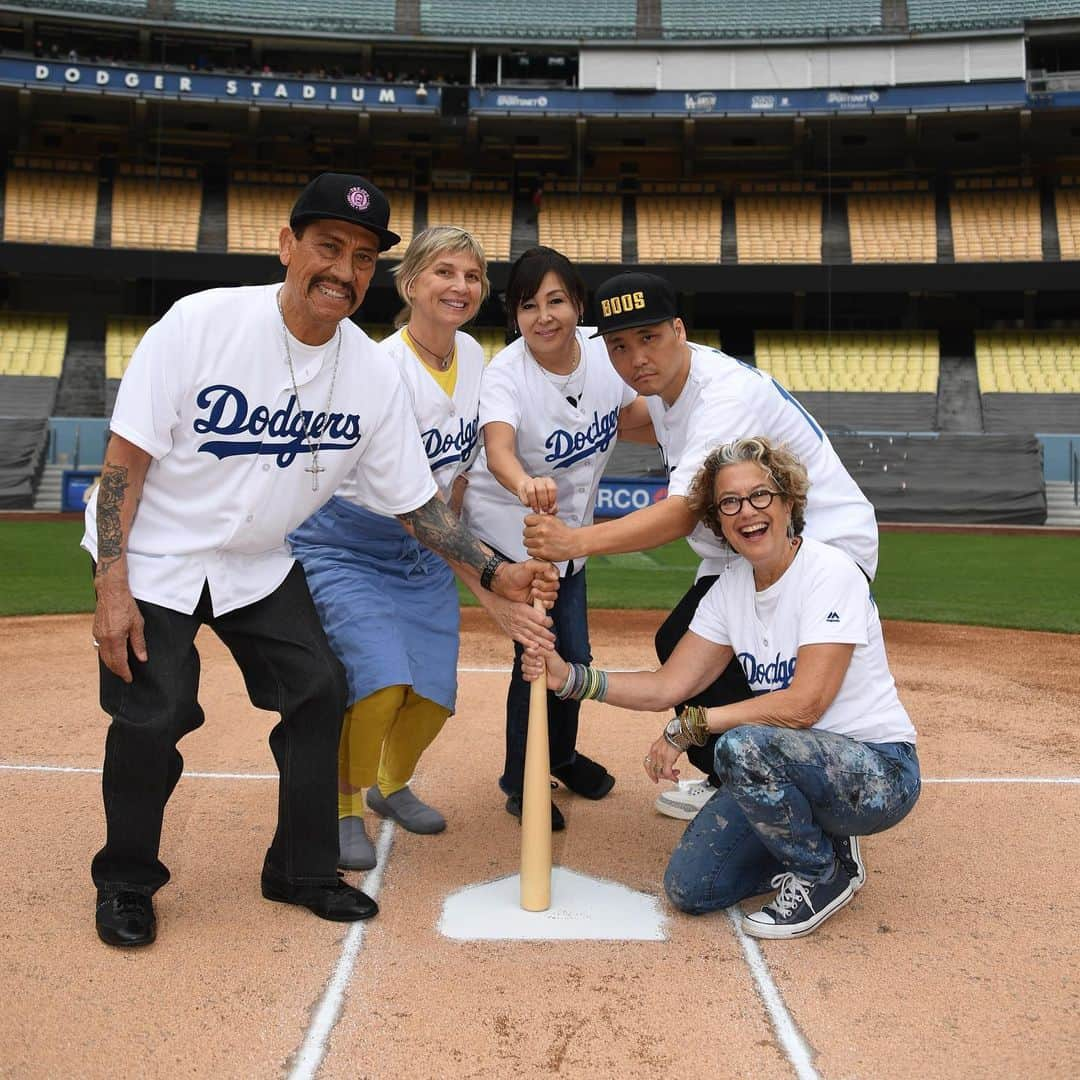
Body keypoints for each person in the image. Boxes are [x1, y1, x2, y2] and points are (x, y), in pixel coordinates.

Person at [83, 173, 557, 948]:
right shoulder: (200, 324)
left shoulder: (370, 374)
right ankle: (126, 880)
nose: (344, 268)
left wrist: (496, 572)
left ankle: (300, 869)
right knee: (154, 712)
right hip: (157, 554)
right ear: (287, 246)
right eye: (328, 246)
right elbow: (121, 466)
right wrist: (111, 584)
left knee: (319, 688)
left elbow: (418, 505)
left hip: (260, 563)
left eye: (362, 256)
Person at [524, 436, 919, 938]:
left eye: (761, 495)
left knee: (739, 746)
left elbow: (805, 704)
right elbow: (669, 685)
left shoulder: (830, 571)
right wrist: (570, 679)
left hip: (877, 771)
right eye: (729, 502)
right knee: (693, 887)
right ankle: (823, 838)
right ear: (718, 519)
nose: (746, 512)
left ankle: (823, 874)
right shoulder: (729, 589)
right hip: (796, 767)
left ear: (788, 501)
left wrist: (693, 725)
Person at [523, 271, 878, 822]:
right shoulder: (668, 387)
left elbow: (683, 510)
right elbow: (630, 423)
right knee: (685, 645)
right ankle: (735, 778)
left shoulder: (723, 396)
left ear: (679, 330)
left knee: (757, 665)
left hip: (817, 540)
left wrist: (573, 540)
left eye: (650, 338)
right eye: (619, 345)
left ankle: (792, 786)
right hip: (744, 545)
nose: (636, 357)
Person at [289, 226, 550, 871]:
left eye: (471, 276)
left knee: (432, 696)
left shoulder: (475, 357)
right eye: (444, 272)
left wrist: (473, 545)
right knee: (378, 683)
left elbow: (457, 478)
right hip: (352, 541)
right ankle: (343, 806)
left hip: (429, 543)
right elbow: (407, 500)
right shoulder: (382, 367)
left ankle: (390, 784)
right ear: (410, 284)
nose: (459, 287)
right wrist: (490, 581)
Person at [462, 247, 654, 829]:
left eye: (555, 301)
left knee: (576, 655)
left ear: (577, 304)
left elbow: (636, 414)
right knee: (539, 653)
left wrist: (683, 427)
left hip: (568, 534)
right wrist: (525, 482)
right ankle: (522, 780)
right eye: (528, 306)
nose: (543, 317)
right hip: (511, 530)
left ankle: (562, 757)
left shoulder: (602, 353)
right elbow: (497, 451)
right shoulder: (506, 375)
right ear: (514, 316)